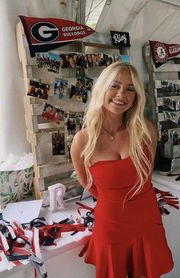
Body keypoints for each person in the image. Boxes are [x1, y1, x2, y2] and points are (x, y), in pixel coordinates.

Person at [70, 61, 173, 278]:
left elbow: (145, 176)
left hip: (147, 220)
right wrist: (113, 200)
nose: (121, 94)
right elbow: (87, 183)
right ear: (102, 88)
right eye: (114, 86)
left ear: (136, 96)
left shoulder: (146, 131)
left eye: (129, 89)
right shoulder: (83, 140)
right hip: (111, 224)